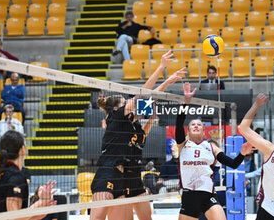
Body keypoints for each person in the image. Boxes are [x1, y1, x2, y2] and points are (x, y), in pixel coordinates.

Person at [90, 50, 185, 220]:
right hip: (108, 172)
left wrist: (167, 82)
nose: (131, 104)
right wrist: (161, 67)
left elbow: (148, 99)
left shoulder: (132, 125)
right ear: (118, 109)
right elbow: (143, 94)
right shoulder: (115, 116)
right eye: (126, 102)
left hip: (127, 176)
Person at [176, 82, 254, 220]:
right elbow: (179, 122)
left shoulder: (211, 147)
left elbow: (233, 164)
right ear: (188, 130)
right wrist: (186, 102)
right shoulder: (183, 144)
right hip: (189, 196)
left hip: (208, 196)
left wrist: (242, 153)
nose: (195, 126)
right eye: (192, 124)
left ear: (203, 129)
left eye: (198, 124)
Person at [0, 130, 57, 218]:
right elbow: (14, 217)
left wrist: (40, 213)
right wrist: (40, 202)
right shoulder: (15, 177)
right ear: (22, 149)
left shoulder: (2, 173)